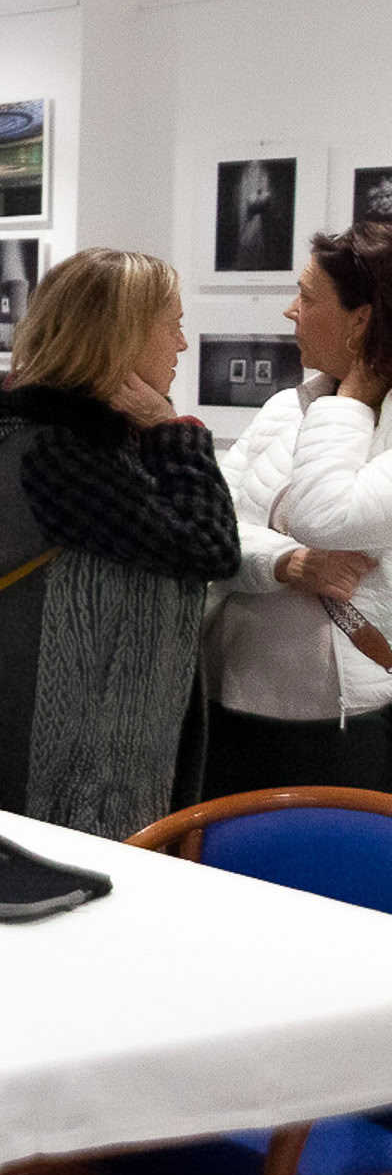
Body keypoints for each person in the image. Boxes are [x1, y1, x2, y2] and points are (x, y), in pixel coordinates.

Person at [0, 248, 239, 839]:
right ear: (122, 336)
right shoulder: (55, 450)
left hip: (89, 725)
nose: (182, 344)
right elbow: (209, 545)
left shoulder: (76, 441)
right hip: (64, 739)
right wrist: (175, 430)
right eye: (173, 326)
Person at [204, 222, 392, 795]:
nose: (291, 311)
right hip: (229, 694)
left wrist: (353, 398)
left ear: (360, 320)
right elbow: (208, 528)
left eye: (308, 298)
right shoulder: (285, 408)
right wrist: (286, 562)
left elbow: (325, 515)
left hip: (346, 718)